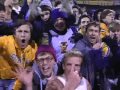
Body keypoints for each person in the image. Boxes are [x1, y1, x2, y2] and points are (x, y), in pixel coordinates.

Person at [0, 20, 37, 90]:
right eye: (19, 31)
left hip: (15, 81)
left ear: (30, 35)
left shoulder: (33, 49)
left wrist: (15, 88)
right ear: (14, 34)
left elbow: (25, 72)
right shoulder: (5, 41)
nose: (22, 35)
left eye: (26, 32)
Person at [74, 22, 110, 89]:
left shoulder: (102, 46)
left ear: (99, 34)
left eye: (96, 31)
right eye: (91, 30)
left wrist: (105, 53)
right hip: (84, 83)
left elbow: (103, 66)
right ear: (86, 33)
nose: (93, 33)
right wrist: (93, 50)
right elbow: (78, 56)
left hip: (98, 83)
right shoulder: (80, 44)